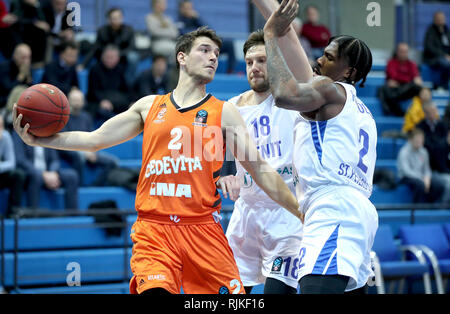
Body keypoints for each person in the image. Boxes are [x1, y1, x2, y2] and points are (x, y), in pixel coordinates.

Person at [12, 26, 301, 294]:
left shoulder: (224, 112)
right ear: (182, 57)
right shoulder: (149, 106)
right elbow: (94, 139)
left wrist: (301, 212)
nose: (212, 56)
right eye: (204, 50)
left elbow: (261, 170)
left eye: (215, 53)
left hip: (202, 230)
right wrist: (40, 140)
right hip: (155, 230)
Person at [262, 0, 378, 294]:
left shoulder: (329, 90)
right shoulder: (359, 108)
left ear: (348, 71)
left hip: (333, 208)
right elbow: (299, 60)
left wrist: (269, 36)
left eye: (328, 57)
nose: (319, 61)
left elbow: (284, 94)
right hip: (354, 210)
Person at [219, 29, 302, 294]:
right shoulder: (232, 106)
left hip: (286, 212)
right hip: (246, 212)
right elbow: (224, 153)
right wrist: (225, 172)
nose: (255, 67)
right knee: (231, 294)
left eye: (262, 60)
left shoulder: (296, 101)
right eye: (249, 62)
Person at [59, 89, 118, 186]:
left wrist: (92, 151)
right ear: (68, 101)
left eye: (79, 100)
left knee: (112, 162)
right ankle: (80, 187)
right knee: (79, 157)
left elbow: (93, 135)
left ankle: (96, 186)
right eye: (74, 100)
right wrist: (84, 152)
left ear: (83, 102)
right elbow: (63, 140)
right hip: (71, 150)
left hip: (88, 149)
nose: (77, 103)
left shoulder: (86, 117)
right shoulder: (64, 118)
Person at [12, 131, 79, 210]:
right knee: (36, 176)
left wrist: (52, 172)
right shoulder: (19, 132)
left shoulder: (47, 131)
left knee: (72, 176)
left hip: (49, 172)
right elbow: (20, 160)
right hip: (30, 173)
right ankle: (33, 215)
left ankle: (72, 215)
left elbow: (55, 159)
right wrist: (43, 174)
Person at [80, 7, 138, 83]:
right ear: (108, 19)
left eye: (118, 18)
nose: (116, 20)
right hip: (106, 58)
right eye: (113, 18)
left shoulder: (129, 30)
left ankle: (129, 83)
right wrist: (83, 64)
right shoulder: (102, 31)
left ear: (122, 18)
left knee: (133, 57)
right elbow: (95, 48)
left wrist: (117, 55)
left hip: (122, 56)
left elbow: (132, 47)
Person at [397, 128, 445, 204]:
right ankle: (415, 208)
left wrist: (427, 178)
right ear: (411, 139)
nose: (419, 141)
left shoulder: (424, 151)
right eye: (417, 139)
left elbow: (427, 169)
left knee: (439, 185)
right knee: (420, 184)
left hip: (421, 177)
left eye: (421, 139)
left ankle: (429, 204)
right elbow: (406, 171)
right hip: (406, 177)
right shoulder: (404, 151)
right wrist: (422, 178)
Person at [86, 44, 131, 124]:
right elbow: (93, 92)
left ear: (118, 58)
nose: (109, 60)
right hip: (99, 102)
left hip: (116, 102)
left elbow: (126, 91)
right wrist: (102, 101)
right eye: (107, 57)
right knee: (102, 110)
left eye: (112, 58)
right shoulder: (95, 69)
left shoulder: (120, 69)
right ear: (102, 56)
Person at [378, 43, 424, 117]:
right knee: (383, 89)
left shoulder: (412, 64)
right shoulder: (391, 63)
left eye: (405, 52)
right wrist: (408, 80)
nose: (404, 54)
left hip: (407, 88)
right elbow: (393, 78)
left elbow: (417, 80)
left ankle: (419, 112)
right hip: (395, 89)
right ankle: (394, 110)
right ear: (397, 52)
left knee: (419, 88)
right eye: (402, 51)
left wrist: (413, 81)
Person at [0, 113, 25, 217]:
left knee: (18, 175)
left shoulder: (5, 136)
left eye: (1, 126)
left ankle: (13, 211)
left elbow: (11, 163)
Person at [423, 11, 450, 90]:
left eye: (443, 18)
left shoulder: (446, 31)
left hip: (446, 57)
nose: (441, 20)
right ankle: (440, 86)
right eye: (439, 19)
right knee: (446, 64)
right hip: (433, 58)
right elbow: (429, 47)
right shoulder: (430, 31)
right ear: (435, 20)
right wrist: (444, 55)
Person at [0, 43, 32, 109]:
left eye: (28, 58)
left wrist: (28, 77)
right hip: (4, 102)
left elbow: (29, 88)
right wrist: (21, 76)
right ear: (15, 56)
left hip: (19, 102)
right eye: (23, 58)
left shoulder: (25, 67)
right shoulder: (4, 67)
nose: (26, 61)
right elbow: (7, 89)